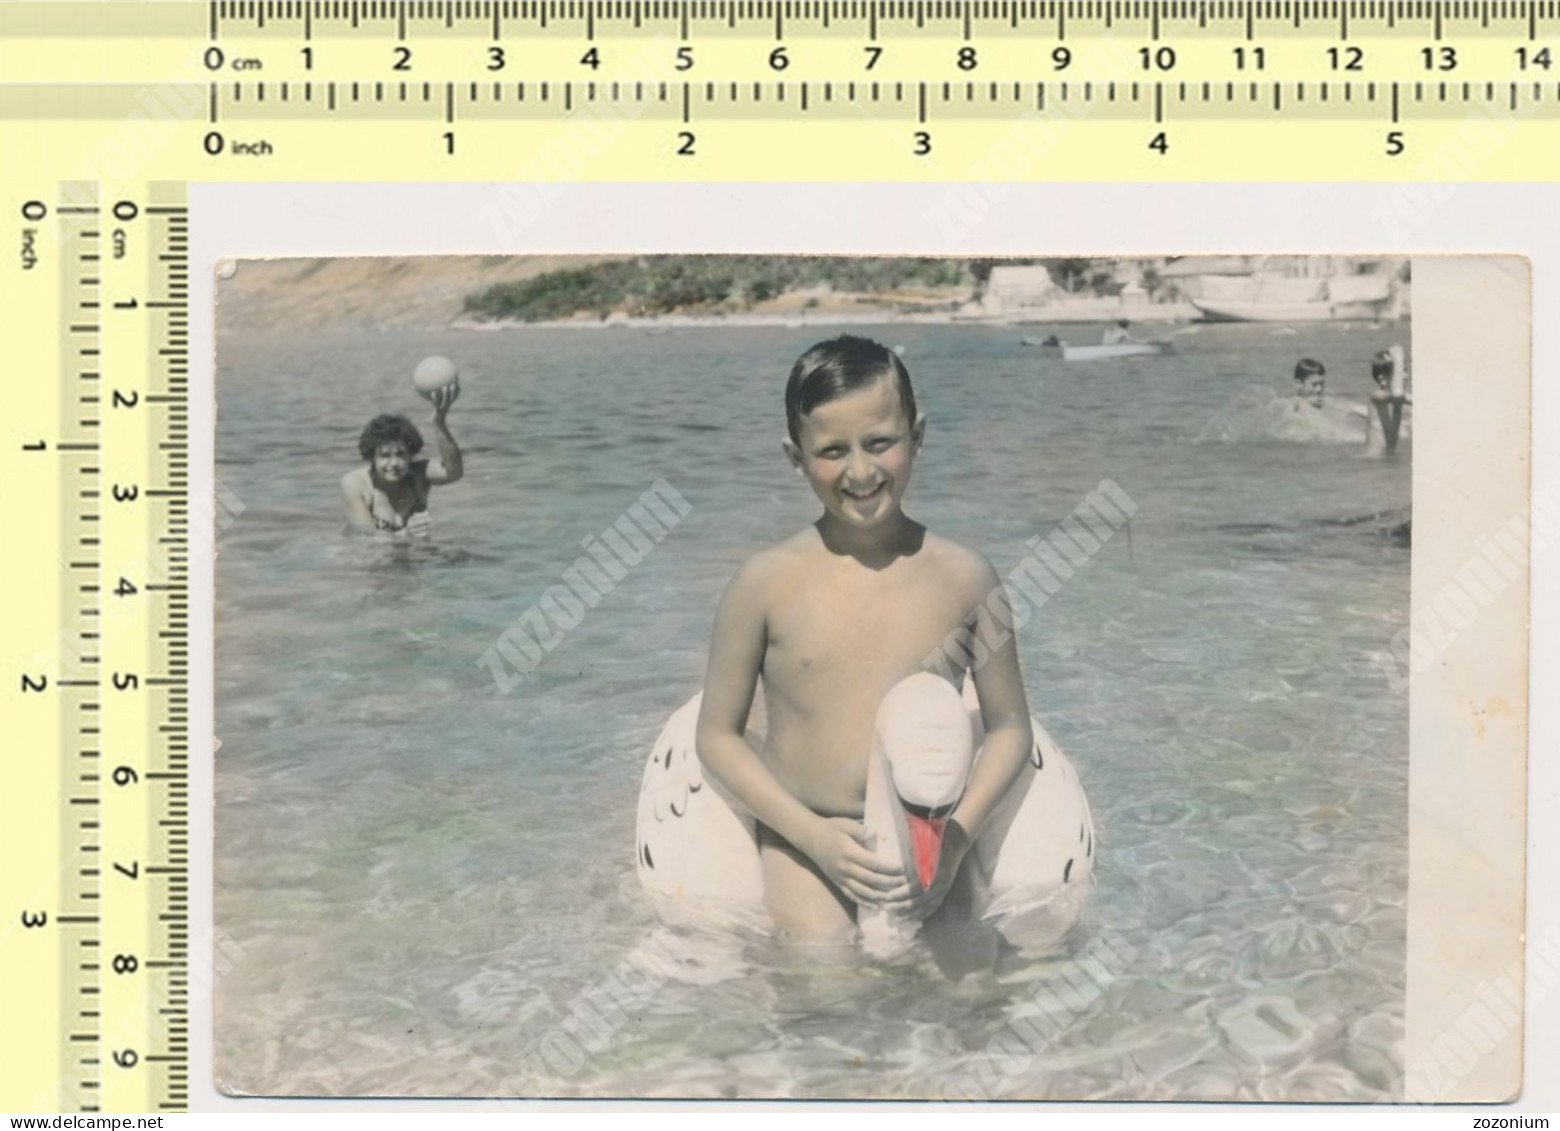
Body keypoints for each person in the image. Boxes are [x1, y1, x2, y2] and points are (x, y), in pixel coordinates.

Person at [694, 335, 1035, 942]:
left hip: (927, 830)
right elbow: (718, 736)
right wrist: (810, 836)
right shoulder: (763, 583)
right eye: (831, 450)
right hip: (808, 831)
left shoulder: (966, 577)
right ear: (794, 456)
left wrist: (956, 841)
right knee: (822, 981)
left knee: (968, 992)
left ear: (917, 436)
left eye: (880, 442)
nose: (860, 470)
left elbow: (1010, 727)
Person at [341, 385, 463, 535]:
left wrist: (439, 422)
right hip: (372, 556)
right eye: (385, 456)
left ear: (410, 454)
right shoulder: (356, 484)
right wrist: (406, 533)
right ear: (372, 457)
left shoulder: (418, 474)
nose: (394, 463)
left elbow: (454, 472)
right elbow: (367, 541)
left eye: (400, 454)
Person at [1365, 346, 1410, 455]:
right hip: (1373, 460)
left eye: (1406, 370)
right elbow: (1396, 396)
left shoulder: (1402, 398)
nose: (1406, 376)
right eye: (1399, 372)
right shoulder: (1376, 396)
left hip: (1387, 459)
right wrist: (1398, 358)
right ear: (1383, 380)